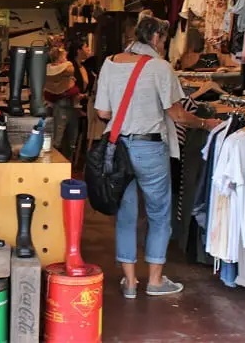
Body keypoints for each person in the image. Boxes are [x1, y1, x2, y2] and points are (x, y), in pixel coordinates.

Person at [94, 16, 220, 299]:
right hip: (150, 148)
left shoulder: (110, 63)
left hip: (119, 149)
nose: (163, 47)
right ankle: (155, 280)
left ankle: (129, 283)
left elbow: (103, 113)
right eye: (163, 41)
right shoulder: (161, 68)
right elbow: (176, 114)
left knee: (125, 215)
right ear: (155, 39)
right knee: (158, 215)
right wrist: (204, 124)